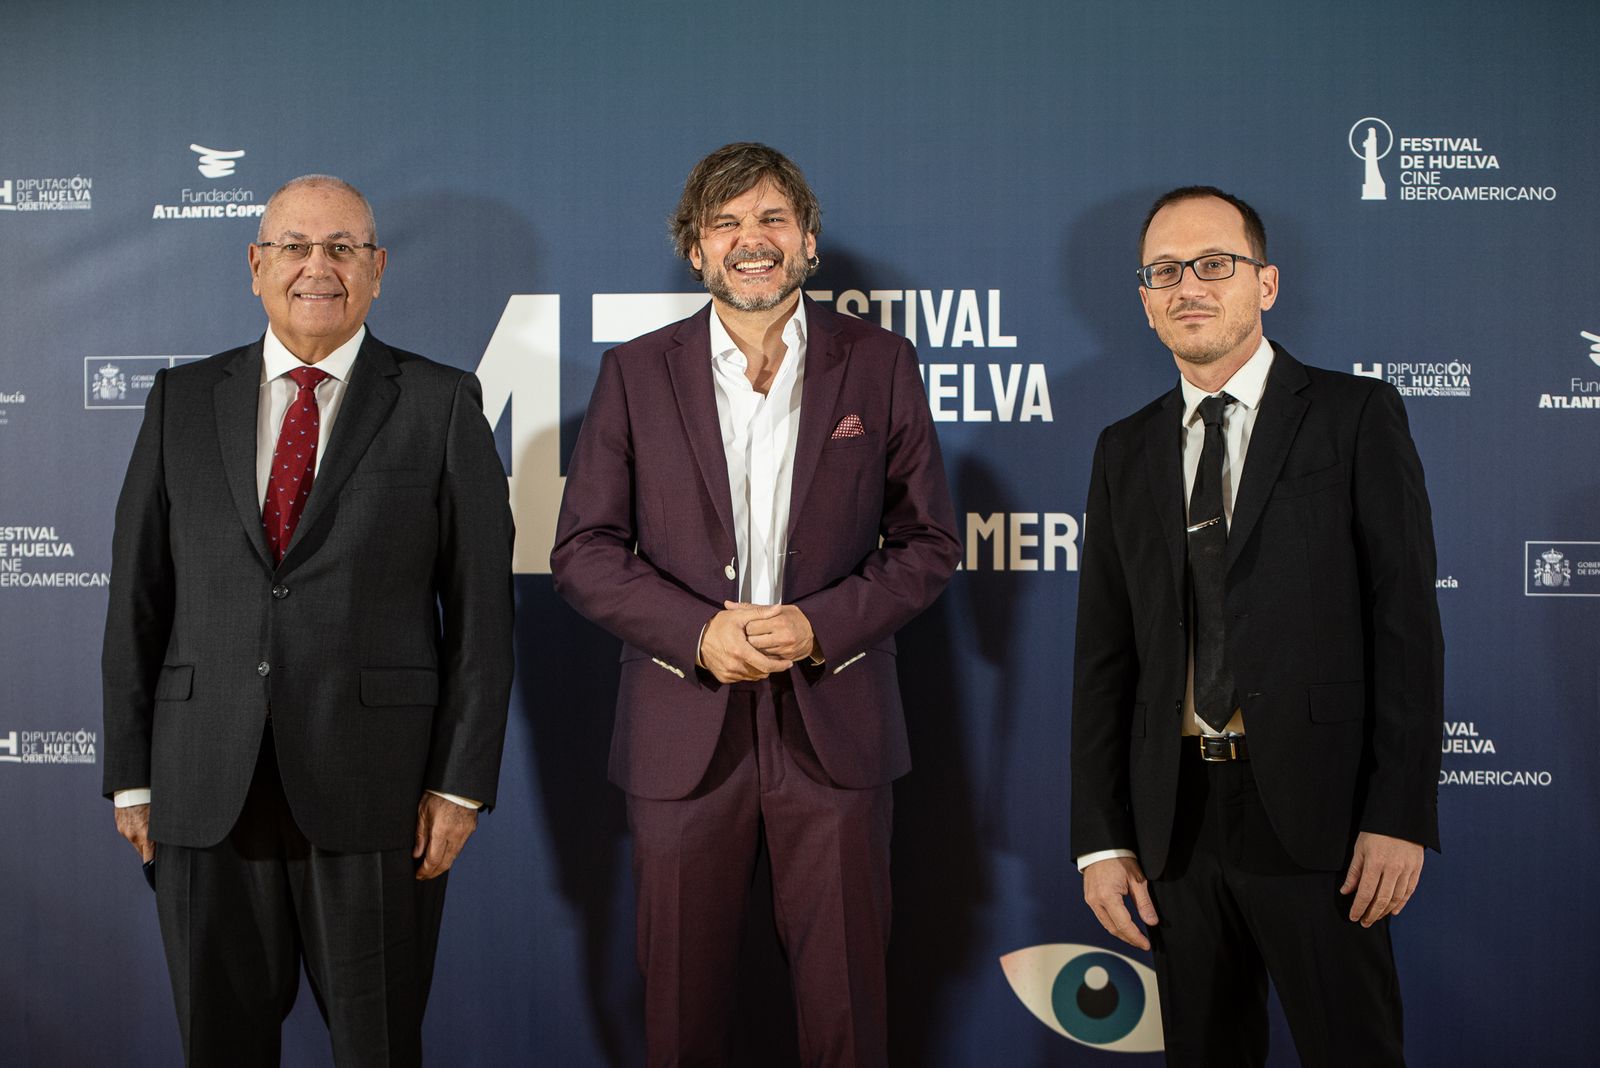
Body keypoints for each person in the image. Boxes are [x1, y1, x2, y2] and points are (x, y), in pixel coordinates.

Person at [551, 142, 960, 1066]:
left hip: (837, 725)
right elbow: (582, 552)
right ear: (695, 251)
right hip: (682, 731)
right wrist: (698, 633)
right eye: (726, 224)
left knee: (848, 1011)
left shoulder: (882, 363)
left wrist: (823, 624)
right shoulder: (634, 373)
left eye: (773, 219)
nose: (752, 241)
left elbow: (931, 543)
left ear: (808, 241)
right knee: (683, 1019)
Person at [102, 174, 514, 1066]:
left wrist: (459, 784)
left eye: (342, 248)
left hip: (377, 795)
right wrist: (131, 775)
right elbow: (137, 597)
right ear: (256, 264)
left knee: (377, 1048)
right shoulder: (179, 401)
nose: (316, 267)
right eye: (294, 246)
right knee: (221, 1046)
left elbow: (483, 616)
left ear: (377, 270)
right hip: (203, 788)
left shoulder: (441, 403)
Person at [1070, 186, 1443, 1066]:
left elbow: (1407, 626)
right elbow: (1104, 656)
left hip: (1325, 821)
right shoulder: (1123, 449)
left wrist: (1400, 811)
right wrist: (1102, 838)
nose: (1187, 286)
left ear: (1264, 283)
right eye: (1164, 272)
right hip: (1176, 827)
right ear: (1145, 298)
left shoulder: (1355, 416)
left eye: (1213, 265)